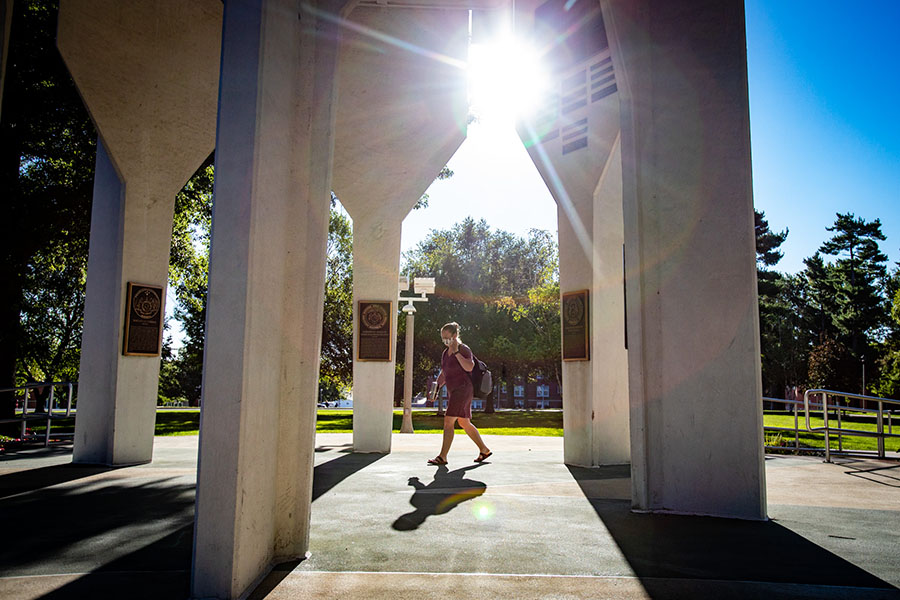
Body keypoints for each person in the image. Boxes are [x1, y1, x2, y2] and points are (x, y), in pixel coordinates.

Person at [427, 322, 492, 465]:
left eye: (447, 337)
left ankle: (442, 456)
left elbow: (469, 367)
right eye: (442, 337)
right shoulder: (445, 353)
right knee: (464, 422)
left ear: (455, 335)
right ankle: (484, 449)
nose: (445, 340)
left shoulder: (463, 349)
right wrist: (436, 389)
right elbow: (444, 373)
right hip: (453, 390)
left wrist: (456, 353)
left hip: (463, 389)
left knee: (448, 420)